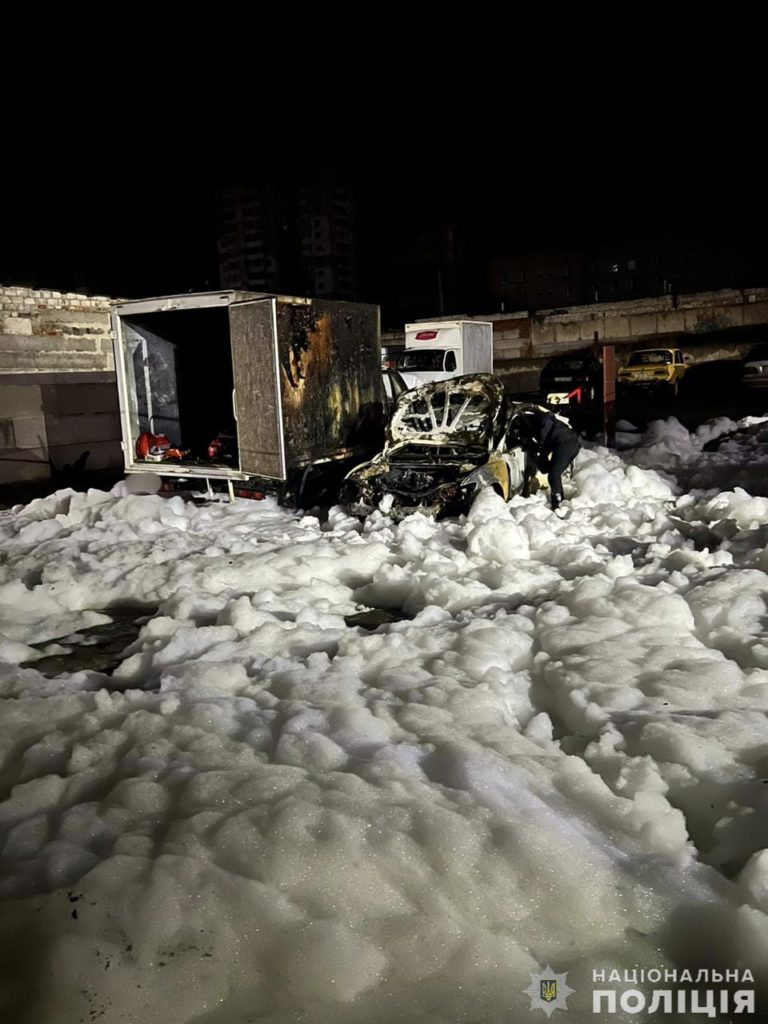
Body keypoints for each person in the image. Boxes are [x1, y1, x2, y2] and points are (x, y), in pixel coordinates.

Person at [508, 406, 581, 511]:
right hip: (565, 443)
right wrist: (538, 455)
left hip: (566, 443)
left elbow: (545, 432)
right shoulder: (539, 428)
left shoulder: (542, 421)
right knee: (552, 472)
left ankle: (557, 504)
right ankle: (560, 500)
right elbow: (544, 466)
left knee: (554, 474)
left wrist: (539, 447)